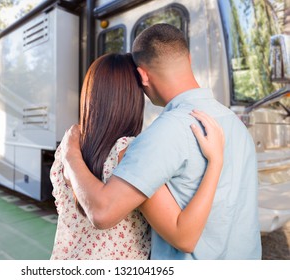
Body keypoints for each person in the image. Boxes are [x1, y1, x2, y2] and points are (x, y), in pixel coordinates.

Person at [60, 24, 262, 259]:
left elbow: (103, 212)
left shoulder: (164, 133)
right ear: (188, 58)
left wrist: (70, 155)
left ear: (143, 75)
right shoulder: (235, 124)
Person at [50, 53, 224, 260]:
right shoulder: (129, 153)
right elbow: (183, 237)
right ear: (133, 98)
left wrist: (71, 155)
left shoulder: (69, 147)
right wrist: (215, 161)